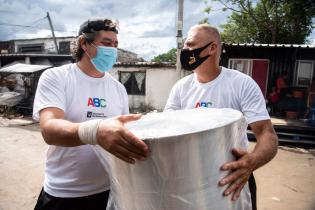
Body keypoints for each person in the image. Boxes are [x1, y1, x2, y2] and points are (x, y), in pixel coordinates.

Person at [33, 19, 149, 210]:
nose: (112, 50)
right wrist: (95, 131)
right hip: (64, 192)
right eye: (106, 43)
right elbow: (49, 129)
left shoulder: (118, 88)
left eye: (115, 44)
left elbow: (123, 134)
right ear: (83, 43)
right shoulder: (57, 77)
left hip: (109, 190)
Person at [164, 24, 278, 210]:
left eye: (190, 45)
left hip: (233, 179)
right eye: (185, 46)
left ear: (212, 48)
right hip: (190, 181)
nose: (185, 51)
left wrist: (252, 162)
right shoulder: (181, 88)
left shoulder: (241, 84)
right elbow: (167, 130)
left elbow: (267, 135)